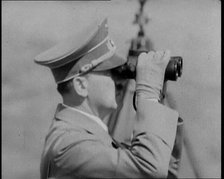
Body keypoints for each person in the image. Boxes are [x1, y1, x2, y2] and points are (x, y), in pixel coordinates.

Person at [35, 18, 183, 179]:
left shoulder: (86, 139)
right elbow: (148, 171)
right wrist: (148, 94)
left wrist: (156, 102)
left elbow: (165, 173)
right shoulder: (70, 147)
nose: (120, 80)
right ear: (81, 85)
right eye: (111, 72)